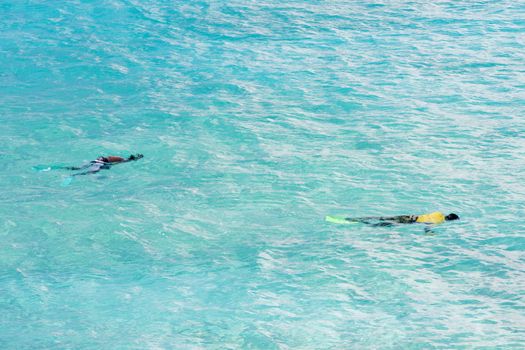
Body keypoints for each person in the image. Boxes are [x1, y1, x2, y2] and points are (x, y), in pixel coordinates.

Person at [343, 211, 459, 227]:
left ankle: (355, 218)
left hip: (408, 216)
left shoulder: (439, 213)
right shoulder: (439, 221)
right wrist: (430, 234)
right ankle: (360, 222)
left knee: (381, 217)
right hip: (409, 221)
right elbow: (428, 226)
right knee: (383, 224)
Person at [65, 154, 143, 176]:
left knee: (81, 168)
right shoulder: (122, 159)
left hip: (98, 161)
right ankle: (74, 175)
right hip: (100, 163)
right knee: (91, 172)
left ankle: (68, 169)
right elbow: (119, 162)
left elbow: (107, 158)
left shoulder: (121, 159)